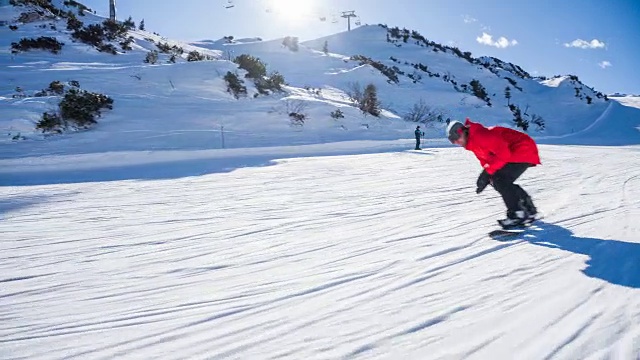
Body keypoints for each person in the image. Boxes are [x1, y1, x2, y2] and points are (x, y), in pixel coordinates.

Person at [446, 118, 541, 228]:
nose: (457, 142)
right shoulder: (472, 142)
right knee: (497, 181)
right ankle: (528, 207)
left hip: (522, 148)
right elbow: (486, 160)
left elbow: (504, 154)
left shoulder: (481, 136)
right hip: (518, 150)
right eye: (452, 141)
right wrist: (486, 176)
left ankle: (517, 214)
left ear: (463, 131)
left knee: (501, 181)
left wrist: (487, 173)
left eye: (456, 138)